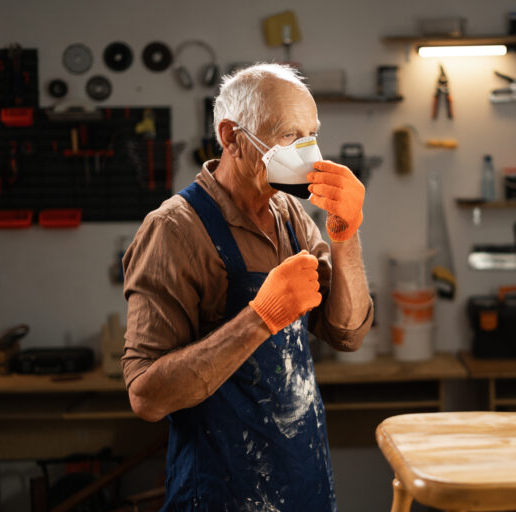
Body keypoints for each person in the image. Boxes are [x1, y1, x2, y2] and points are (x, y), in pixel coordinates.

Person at [121, 63, 373, 511]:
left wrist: (345, 234)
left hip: (303, 484)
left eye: (311, 134)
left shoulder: (289, 215)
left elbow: (348, 333)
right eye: (288, 136)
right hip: (222, 494)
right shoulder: (174, 230)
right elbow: (146, 396)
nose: (307, 152)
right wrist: (260, 318)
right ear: (231, 137)